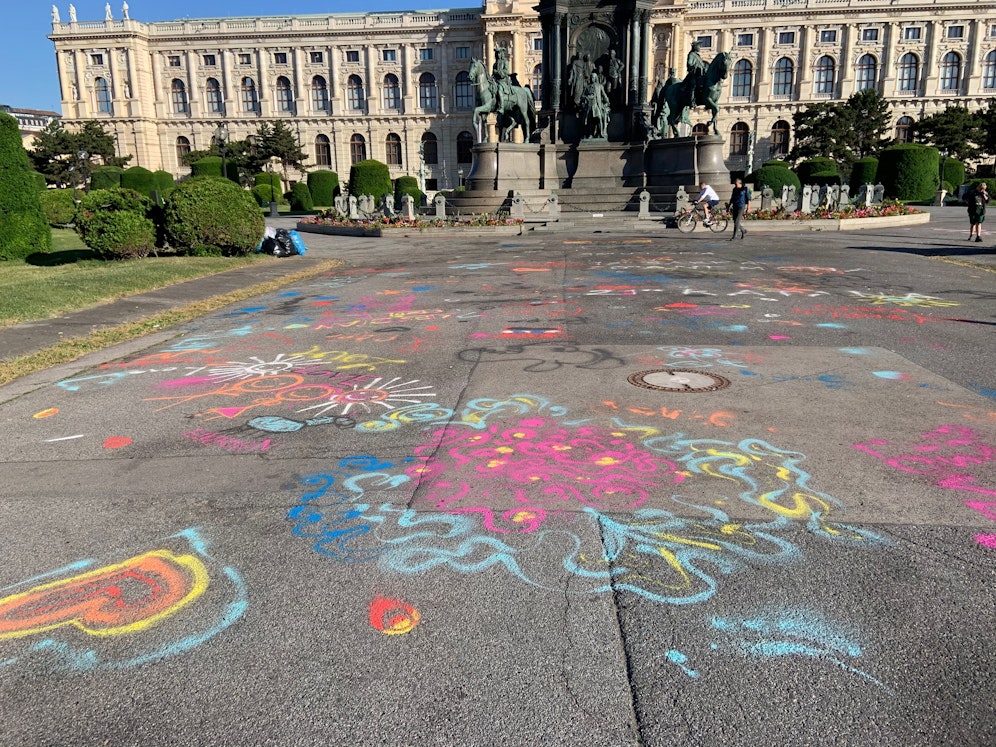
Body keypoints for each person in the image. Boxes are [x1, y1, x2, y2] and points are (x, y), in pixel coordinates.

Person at [582, 71, 610, 139]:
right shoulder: (587, 87)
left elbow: (604, 95)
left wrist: (607, 102)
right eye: (591, 77)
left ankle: (601, 133)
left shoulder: (599, 86)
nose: (592, 78)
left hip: (597, 105)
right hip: (589, 106)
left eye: (593, 77)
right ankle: (590, 134)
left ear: (596, 78)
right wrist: (586, 97)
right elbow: (582, 96)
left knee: (599, 118)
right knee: (590, 120)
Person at [686, 41, 707, 108]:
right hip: (694, 74)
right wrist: (694, 66)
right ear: (695, 47)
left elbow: (702, 66)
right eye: (698, 46)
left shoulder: (698, 56)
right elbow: (689, 63)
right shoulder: (691, 54)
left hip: (700, 75)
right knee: (693, 85)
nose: (700, 47)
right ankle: (691, 101)